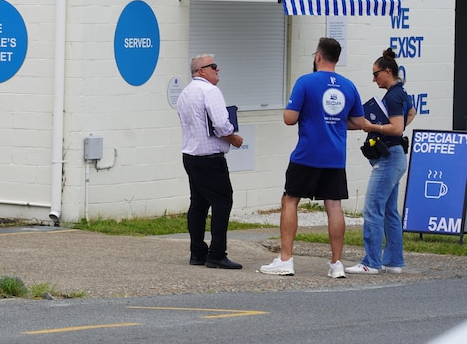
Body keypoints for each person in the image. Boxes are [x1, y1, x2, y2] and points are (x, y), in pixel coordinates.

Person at [260, 37, 370, 278]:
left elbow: (289, 118)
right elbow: (359, 122)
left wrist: (310, 115)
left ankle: (286, 259)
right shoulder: (348, 86)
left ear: (318, 56)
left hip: (307, 154)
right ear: (336, 58)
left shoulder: (306, 82)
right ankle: (336, 263)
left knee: (290, 200)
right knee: (334, 205)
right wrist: (336, 121)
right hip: (335, 157)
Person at [346, 48, 416, 275]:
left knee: (372, 209)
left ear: (387, 71)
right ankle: (394, 261)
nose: (374, 79)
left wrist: (372, 126)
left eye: (376, 74)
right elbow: (412, 113)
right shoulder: (401, 93)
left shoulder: (393, 96)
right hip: (397, 157)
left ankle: (371, 262)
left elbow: (396, 128)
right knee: (389, 211)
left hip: (388, 159)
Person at [176, 54, 244, 269]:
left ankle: (197, 252)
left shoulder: (185, 94)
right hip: (210, 159)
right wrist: (234, 138)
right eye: (213, 66)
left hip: (191, 156)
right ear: (201, 71)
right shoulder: (210, 91)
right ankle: (216, 253)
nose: (218, 69)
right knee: (223, 203)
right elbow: (221, 125)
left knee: (198, 204)